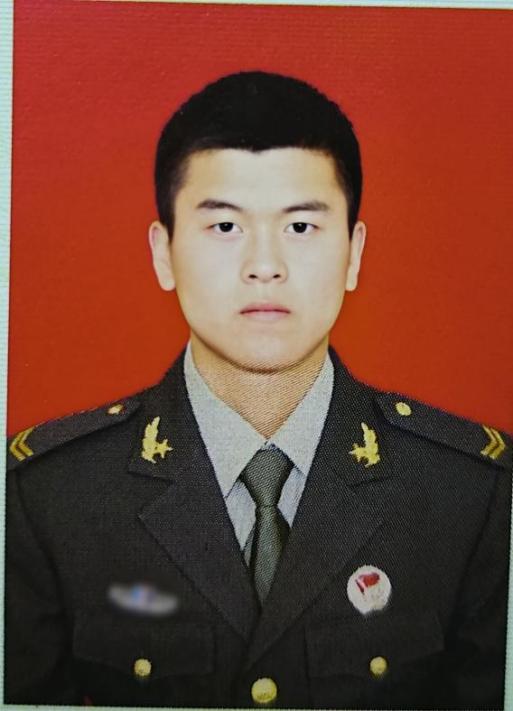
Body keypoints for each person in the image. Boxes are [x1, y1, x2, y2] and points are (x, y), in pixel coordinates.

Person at [5, 71, 511, 709]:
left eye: (300, 227)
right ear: (163, 253)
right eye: (225, 227)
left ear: (354, 253)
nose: (264, 266)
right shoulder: (47, 498)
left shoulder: (470, 495)